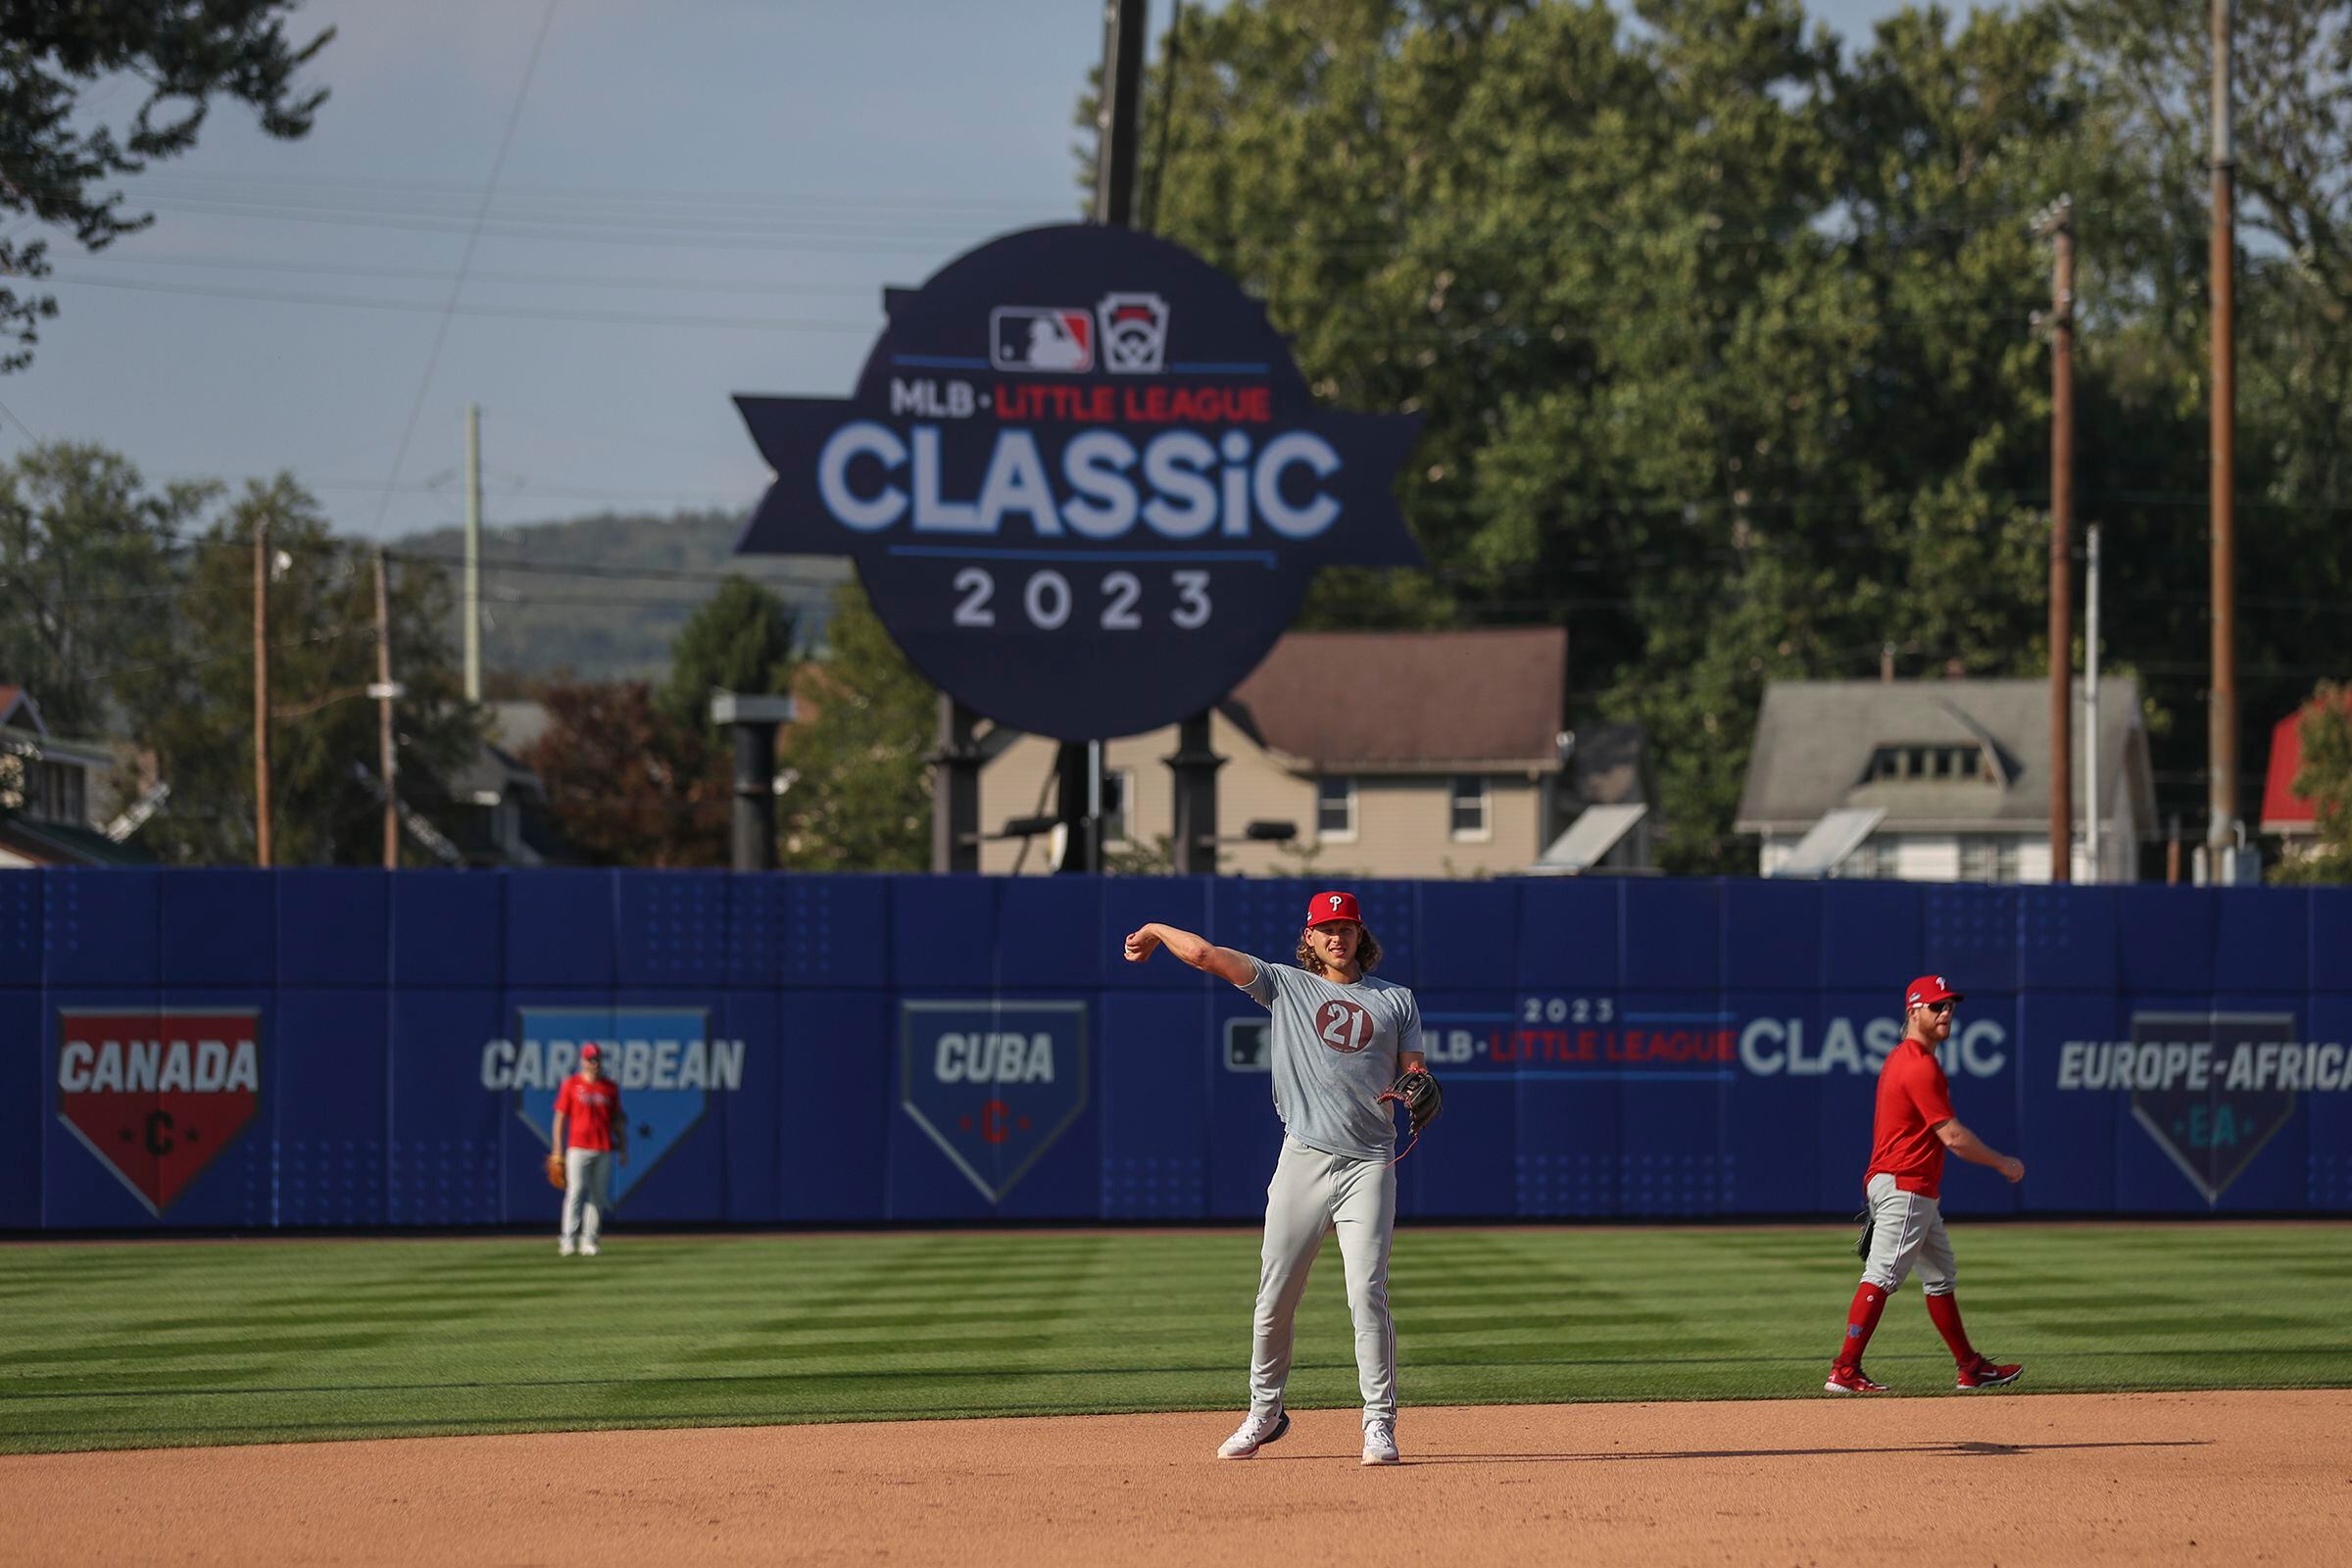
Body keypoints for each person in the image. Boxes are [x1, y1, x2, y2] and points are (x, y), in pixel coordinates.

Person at [1124, 890, 1435, 1466]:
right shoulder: (1285, 985)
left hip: (1370, 1163)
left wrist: (1420, 1081)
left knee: (1367, 1292)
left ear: (1360, 934)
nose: (1337, 937)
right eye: (1326, 929)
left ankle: (1379, 1424)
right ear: (1310, 939)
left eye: (1346, 927)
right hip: (1304, 1158)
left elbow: (1411, 1070)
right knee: (1275, 1297)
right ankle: (1264, 1412)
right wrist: (1153, 925)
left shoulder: (1397, 999)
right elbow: (1205, 955)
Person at [1826, 975, 2025, 1394]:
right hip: (1907, 1183)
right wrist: (2000, 1162)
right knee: (1881, 1275)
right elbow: (1952, 1137)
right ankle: (1845, 1368)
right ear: (1913, 1011)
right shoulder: (1917, 1064)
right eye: (1937, 1006)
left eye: (1950, 1006)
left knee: (1940, 1275)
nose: (1946, 1013)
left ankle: (1970, 1367)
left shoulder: (1905, 1057)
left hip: (1909, 1185)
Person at [552, 1042, 627, 1257]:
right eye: (589, 1059)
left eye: (596, 1059)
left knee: (597, 1196)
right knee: (575, 1192)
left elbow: (617, 1121)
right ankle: (567, 1239)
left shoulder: (609, 1087)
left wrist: (623, 1147)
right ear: (582, 1061)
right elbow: (560, 1118)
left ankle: (589, 1240)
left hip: (603, 1147)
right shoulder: (571, 1084)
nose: (593, 1063)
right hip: (577, 1147)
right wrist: (557, 1149)